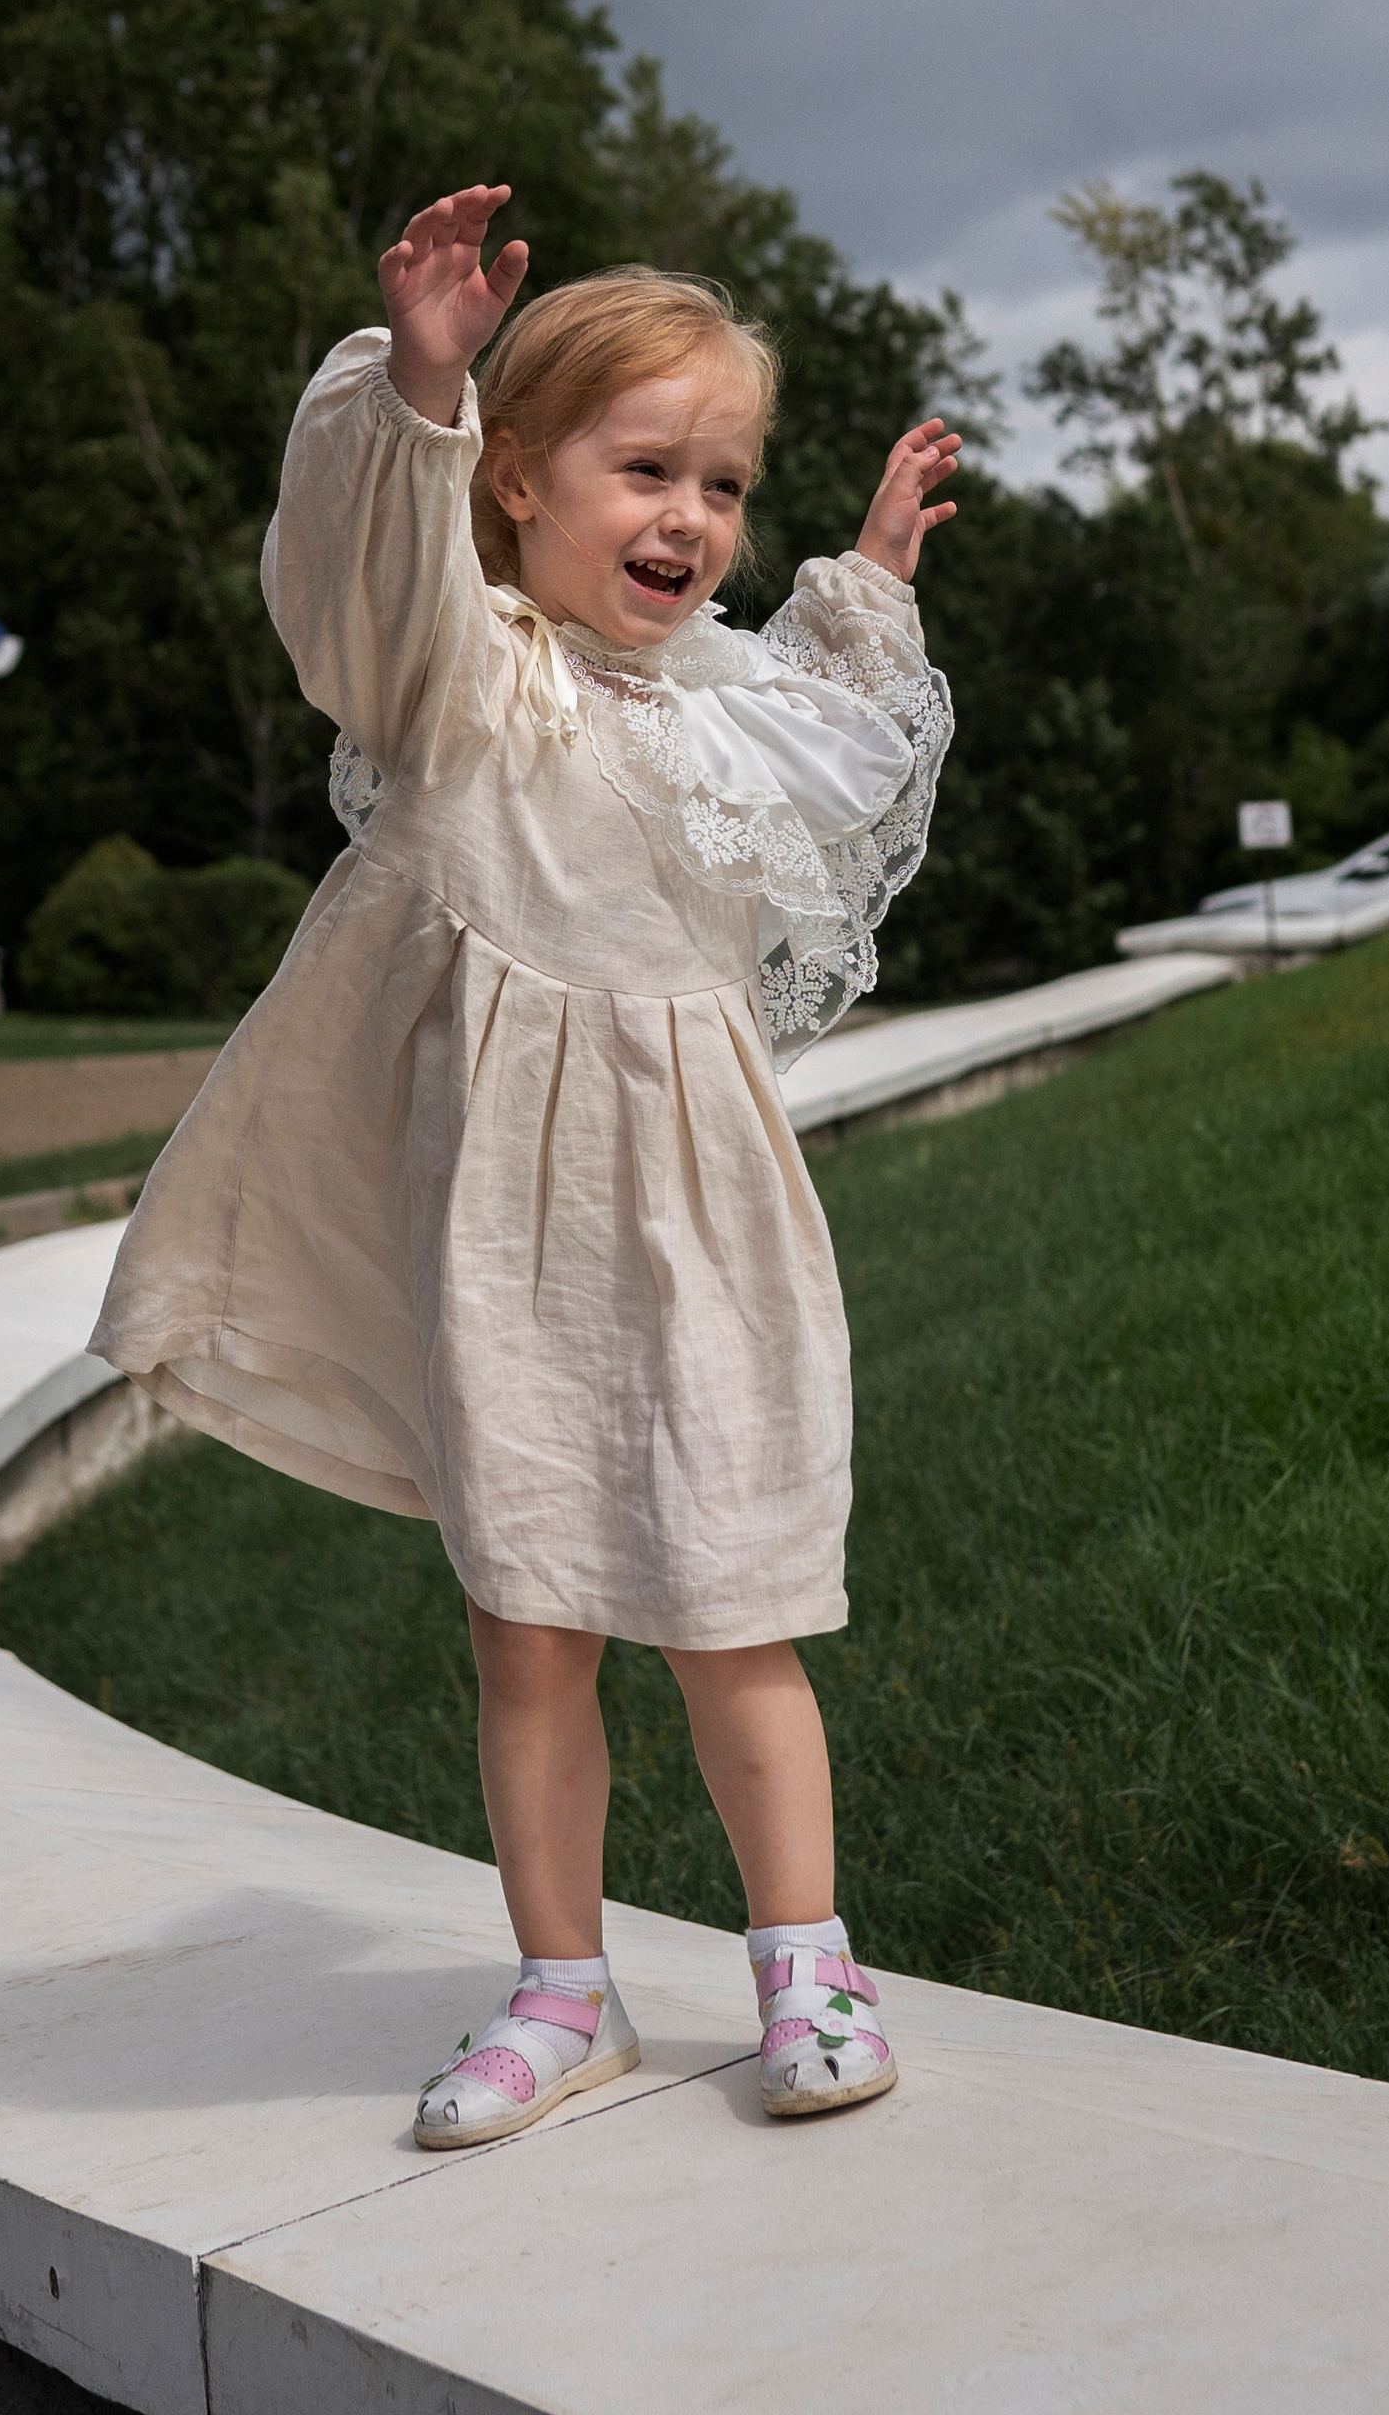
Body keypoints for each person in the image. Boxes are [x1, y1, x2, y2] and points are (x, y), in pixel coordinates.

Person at [92, 181, 959, 2141]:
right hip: (509, 1234)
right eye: (642, 468)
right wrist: (417, 382)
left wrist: (866, 571)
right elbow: (356, 566)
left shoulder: (722, 713)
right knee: (531, 1621)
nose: (685, 518)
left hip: (708, 1226)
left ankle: (802, 1962)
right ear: (513, 488)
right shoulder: (462, 684)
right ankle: (562, 1991)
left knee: (731, 1605)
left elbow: (846, 725)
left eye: (718, 484)